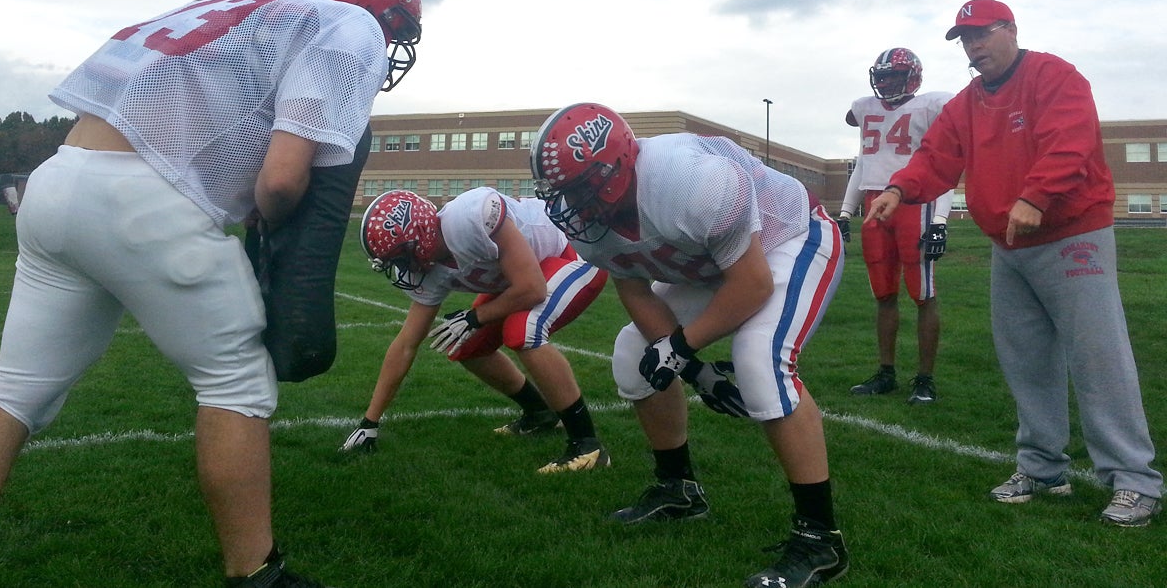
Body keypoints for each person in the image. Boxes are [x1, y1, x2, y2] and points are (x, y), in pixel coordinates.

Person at [0, 0, 423, 587]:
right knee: (236, 385)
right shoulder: (349, 29)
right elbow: (283, 179)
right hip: (141, 200)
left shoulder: (253, 8)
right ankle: (257, 574)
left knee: (13, 392)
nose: (391, 47)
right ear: (383, 16)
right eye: (395, 31)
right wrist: (266, 215)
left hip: (58, 182)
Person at [867, 0, 1163, 527]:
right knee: (1025, 359)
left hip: (1073, 235)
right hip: (1009, 245)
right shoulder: (967, 102)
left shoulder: (1053, 75)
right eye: (964, 39)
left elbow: (1069, 144)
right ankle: (1043, 466)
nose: (973, 47)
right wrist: (898, 188)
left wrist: (1036, 196)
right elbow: (935, 157)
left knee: (1098, 357)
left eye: (981, 34)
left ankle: (1134, 481)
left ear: (1010, 30)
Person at [532, 103, 849, 588]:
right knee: (632, 357)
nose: (571, 206)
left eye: (579, 190)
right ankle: (677, 488)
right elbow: (634, 290)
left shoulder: (689, 181)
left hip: (789, 236)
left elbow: (752, 285)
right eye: (562, 194)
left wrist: (681, 348)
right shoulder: (597, 225)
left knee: (761, 362)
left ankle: (821, 540)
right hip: (713, 264)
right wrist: (696, 370)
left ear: (614, 168)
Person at [341, 187, 611, 473]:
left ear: (421, 234)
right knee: (465, 346)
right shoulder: (430, 269)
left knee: (523, 331)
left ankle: (587, 445)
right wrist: (370, 422)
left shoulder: (469, 218)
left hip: (571, 253)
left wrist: (475, 317)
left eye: (401, 257)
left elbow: (532, 288)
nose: (403, 267)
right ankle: (539, 413)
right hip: (523, 277)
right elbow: (407, 343)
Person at [839, 48, 954, 404]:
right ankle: (886, 372)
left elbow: (942, 167)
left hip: (915, 204)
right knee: (884, 294)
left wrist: (939, 220)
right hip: (875, 206)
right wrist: (845, 213)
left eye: (894, 75)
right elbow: (864, 163)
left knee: (923, 294)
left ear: (913, 77)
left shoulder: (932, 106)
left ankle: (925, 379)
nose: (885, 82)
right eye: (882, 75)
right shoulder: (866, 109)